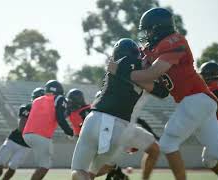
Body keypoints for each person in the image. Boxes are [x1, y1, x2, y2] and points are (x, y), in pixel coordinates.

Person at [107, 7, 218, 180]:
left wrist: (120, 71)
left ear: (158, 28)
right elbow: (142, 67)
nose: (147, 34)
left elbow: (152, 73)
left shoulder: (174, 41)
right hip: (201, 101)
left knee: (167, 144)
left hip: (195, 98)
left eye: (149, 29)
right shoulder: (153, 47)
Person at [71, 38, 170, 180]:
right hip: (120, 127)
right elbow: (162, 92)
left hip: (96, 118)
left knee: (79, 171)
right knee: (91, 174)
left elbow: (122, 70)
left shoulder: (119, 65)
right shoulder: (141, 72)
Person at [0, 87, 45, 180]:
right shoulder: (27, 108)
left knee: (13, 165)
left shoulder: (45, 114)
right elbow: (21, 126)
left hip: (26, 145)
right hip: (14, 139)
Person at [23, 80, 74, 180]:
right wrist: (70, 132)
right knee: (44, 166)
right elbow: (60, 118)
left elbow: (48, 114)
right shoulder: (59, 98)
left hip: (27, 135)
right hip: (41, 136)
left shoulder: (37, 100)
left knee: (42, 164)